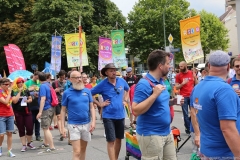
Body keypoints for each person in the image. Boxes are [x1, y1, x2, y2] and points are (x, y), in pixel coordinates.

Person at [191, 50, 240, 159]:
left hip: (207, 150)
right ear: (228, 67)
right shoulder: (224, 90)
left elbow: (195, 115)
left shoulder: (197, 88)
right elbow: (227, 129)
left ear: (208, 66)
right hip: (223, 153)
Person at [132, 49, 177, 160]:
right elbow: (135, 110)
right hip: (151, 135)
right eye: (167, 63)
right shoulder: (144, 84)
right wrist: (154, 95)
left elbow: (159, 103)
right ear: (160, 66)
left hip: (166, 132)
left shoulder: (161, 81)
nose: (169, 66)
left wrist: (172, 102)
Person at [91, 63, 129, 160]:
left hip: (120, 115)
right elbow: (89, 94)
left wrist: (125, 99)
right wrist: (100, 104)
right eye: (111, 71)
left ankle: (115, 158)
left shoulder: (121, 81)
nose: (113, 72)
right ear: (106, 73)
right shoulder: (103, 84)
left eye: (114, 70)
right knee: (111, 140)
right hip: (108, 116)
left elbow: (127, 90)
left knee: (119, 139)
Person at [60, 71, 95, 160]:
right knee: (77, 151)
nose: (79, 79)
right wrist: (62, 127)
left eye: (80, 77)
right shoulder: (67, 93)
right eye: (76, 78)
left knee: (83, 149)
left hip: (86, 124)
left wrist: (93, 122)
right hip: (73, 125)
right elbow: (63, 110)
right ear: (71, 79)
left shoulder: (87, 91)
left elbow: (91, 108)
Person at [11, 78, 36, 152]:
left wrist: (28, 100)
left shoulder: (26, 90)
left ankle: (29, 142)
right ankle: (24, 145)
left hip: (27, 111)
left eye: (22, 82)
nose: (21, 83)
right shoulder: (13, 91)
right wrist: (19, 91)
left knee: (30, 128)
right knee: (21, 129)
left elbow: (30, 99)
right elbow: (14, 101)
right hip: (18, 112)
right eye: (19, 82)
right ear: (16, 83)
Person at [175, 61, 198, 134]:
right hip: (183, 96)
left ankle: (190, 125)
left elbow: (197, 85)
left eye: (181, 66)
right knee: (185, 114)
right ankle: (188, 129)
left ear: (185, 66)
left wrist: (195, 78)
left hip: (192, 96)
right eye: (179, 66)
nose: (180, 68)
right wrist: (182, 83)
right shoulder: (178, 75)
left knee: (193, 113)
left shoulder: (192, 73)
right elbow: (177, 87)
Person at [36, 72, 55, 152]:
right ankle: (46, 142)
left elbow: (43, 99)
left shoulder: (43, 86)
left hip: (46, 108)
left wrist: (40, 112)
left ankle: (51, 146)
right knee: (46, 127)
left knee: (45, 128)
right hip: (51, 107)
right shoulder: (48, 84)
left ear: (39, 78)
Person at [0, 78, 15, 157]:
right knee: (1, 134)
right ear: (1, 85)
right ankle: (0, 147)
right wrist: (9, 93)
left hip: (10, 114)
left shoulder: (7, 92)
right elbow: (5, 102)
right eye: (6, 84)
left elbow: (12, 102)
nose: (8, 86)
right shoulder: (0, 92)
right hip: (1, 115)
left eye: (8, 84)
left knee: (9, 133)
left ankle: (9, 150)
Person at [25, 71, 41, 141]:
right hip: (30, 105)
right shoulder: (27, 83)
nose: (38, 79)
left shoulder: (39, 82)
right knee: (31, 121)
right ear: (34, 75)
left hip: (38, 104)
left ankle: (37, 135)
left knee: (37, 120)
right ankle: (29, 135)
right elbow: (23, 92)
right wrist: (29, 89)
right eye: (37, 77)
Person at [52, 70, 66, 141]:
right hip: (57, 101)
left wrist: (60, 89)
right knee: (59, 117)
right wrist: (55, 90)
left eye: (63, 77)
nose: (62, 79)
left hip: (65, 101)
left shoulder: (66, 82)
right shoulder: (55, 83)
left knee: (63, 117)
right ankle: (61, 133)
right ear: (59, 76)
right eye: (61, 77)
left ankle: (63, 130)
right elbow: (51, 91)